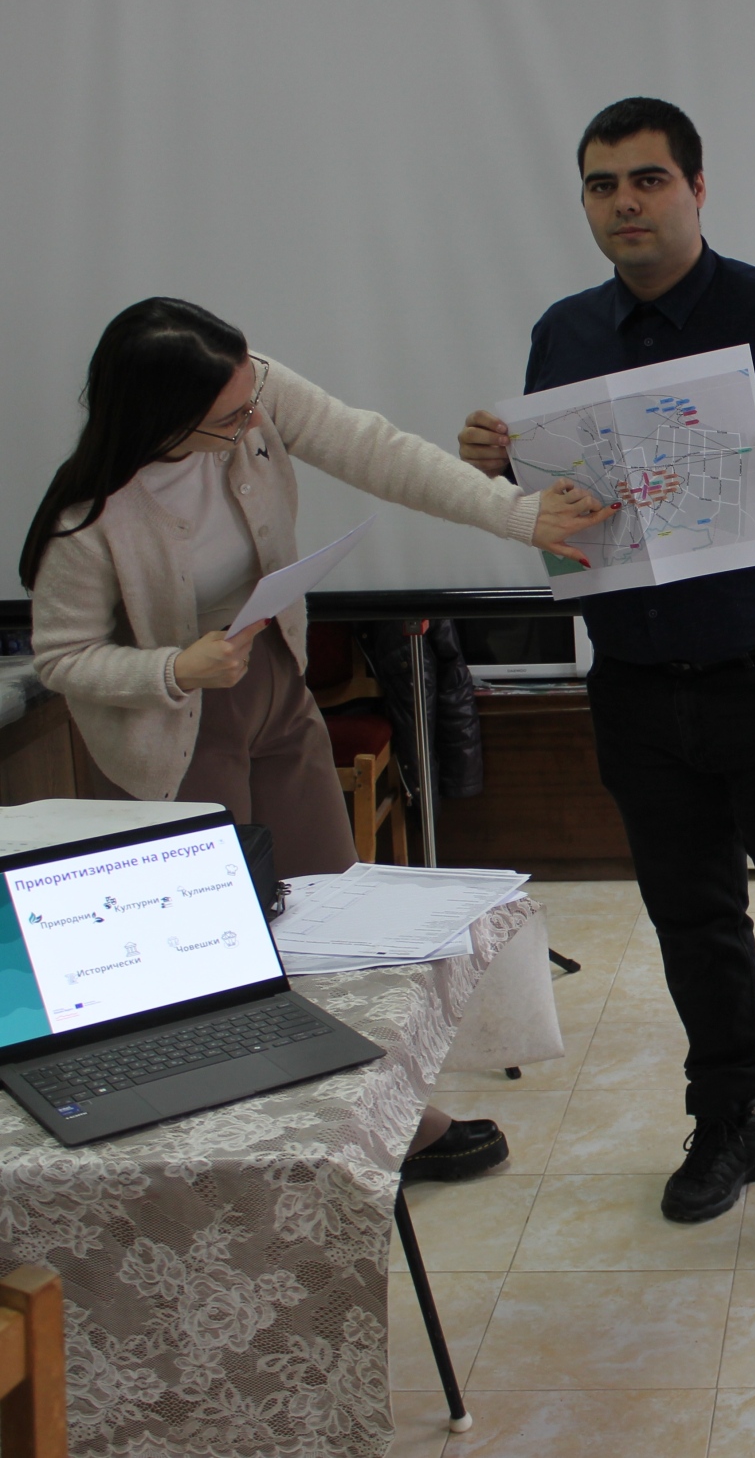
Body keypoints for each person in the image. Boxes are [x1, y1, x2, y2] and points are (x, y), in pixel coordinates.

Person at [456, 98, 755, 1261]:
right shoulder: (564, 333)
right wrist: (503, 469)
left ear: (695, 188)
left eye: (647, 179)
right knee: (693, 922)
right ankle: (734, 1120)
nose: (624, 202)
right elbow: (566, 503)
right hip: (637, 684)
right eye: (602, 184)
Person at [23, 297, 612, 1181]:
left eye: (251, 400)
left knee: (333, 906)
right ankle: (251, 1152)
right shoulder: (88, 517)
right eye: (230, 419)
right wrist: (174, 669)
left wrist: (520, 515)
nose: (255, 423)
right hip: (172, 728)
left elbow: (377, 451)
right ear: (163, 418)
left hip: (270, 680)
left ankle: (391, 1115)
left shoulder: (250, 388)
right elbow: (62, 658)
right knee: (220, 947)